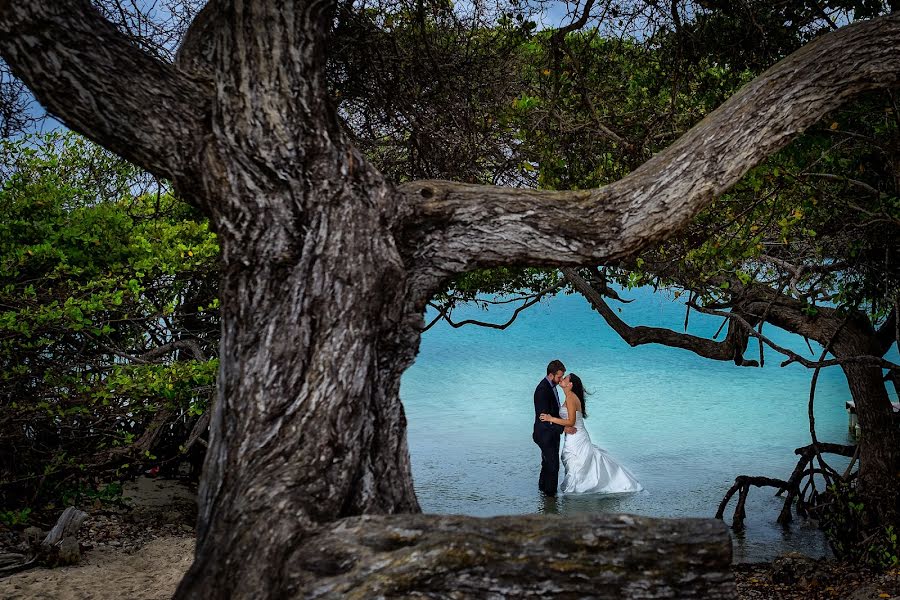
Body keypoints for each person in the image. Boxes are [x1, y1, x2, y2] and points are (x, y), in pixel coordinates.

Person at [540, 373, 642, 494]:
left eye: (565, 378)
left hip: (576, 437)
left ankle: (576, 497)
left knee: (577, 465)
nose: (562, 379)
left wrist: (551, 419)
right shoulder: (569, 397)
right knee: (577, 465)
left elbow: (571, 421)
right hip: (574, 436)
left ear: (570, 384)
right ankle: (574, 498)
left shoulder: (571, 398)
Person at [532, 359, 575, 497]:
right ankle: (550, 498)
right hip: (544, 433)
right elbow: (544, 419)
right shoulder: (542, 390)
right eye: (559, 376)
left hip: (550, 433)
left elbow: (553, 413)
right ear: (551, 375)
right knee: (553, 466)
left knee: (547, 463)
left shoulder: (551, 386)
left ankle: (543, 492)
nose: (561, 379)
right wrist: (563, 429)